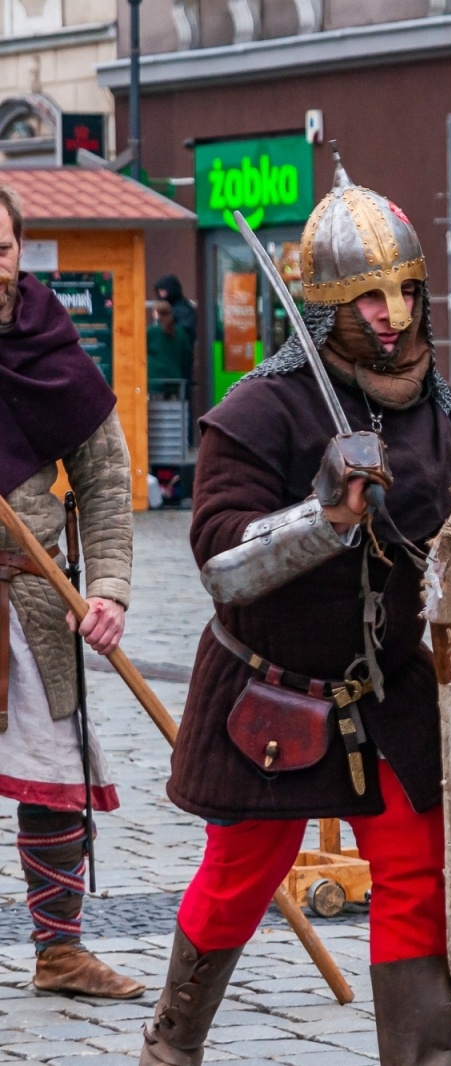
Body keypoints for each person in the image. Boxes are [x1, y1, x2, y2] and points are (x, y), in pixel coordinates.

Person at [140, 163, 451, 1066]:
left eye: (406, 292)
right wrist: (326, 516)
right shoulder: (260, 411)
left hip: (390, 689)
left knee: (415, 870)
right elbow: (220, 560)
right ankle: (171, 1049)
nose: (394, 314)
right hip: (275, 689)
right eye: (371, 297)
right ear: (329, 304)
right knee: (240, 878)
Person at [0, 184, 144, 998]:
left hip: (29, 596)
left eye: (0, 248)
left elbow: (106, 475)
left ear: (19, 250)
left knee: (54, 775)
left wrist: (110, 589)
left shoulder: (48, 344)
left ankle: (58, 953)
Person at [146, 300, 193, 390]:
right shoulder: (180, 332)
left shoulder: (151, 332)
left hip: (154, 379)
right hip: (175, 378)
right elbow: (187, 356)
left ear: (156, 314)